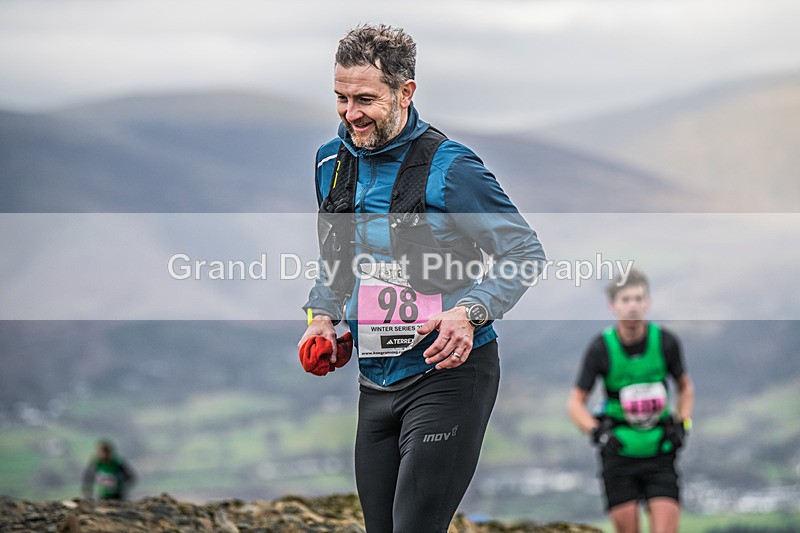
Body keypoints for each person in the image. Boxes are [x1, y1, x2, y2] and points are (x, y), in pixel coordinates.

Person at [298, 24, 545, 532]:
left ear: (405, 92)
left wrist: (469, 311)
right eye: (341, 98)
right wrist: (322, 317)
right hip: (375, 378)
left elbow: (524, 251)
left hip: (450, 374)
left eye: (365, 98)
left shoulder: (452, 168)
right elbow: (337, 262)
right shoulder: (330, 161)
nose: (351, 113)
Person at [566, 269, 694, 533]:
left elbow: (685, 387)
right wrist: (597, 433)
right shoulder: (601, 347)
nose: (633, 306)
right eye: (626, 300)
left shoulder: (666, 342)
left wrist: (682, 425)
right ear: (613, 306)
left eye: (638, 298)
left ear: (648, 302)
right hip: (619, 456)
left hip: (659, 452)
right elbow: (575, 403)